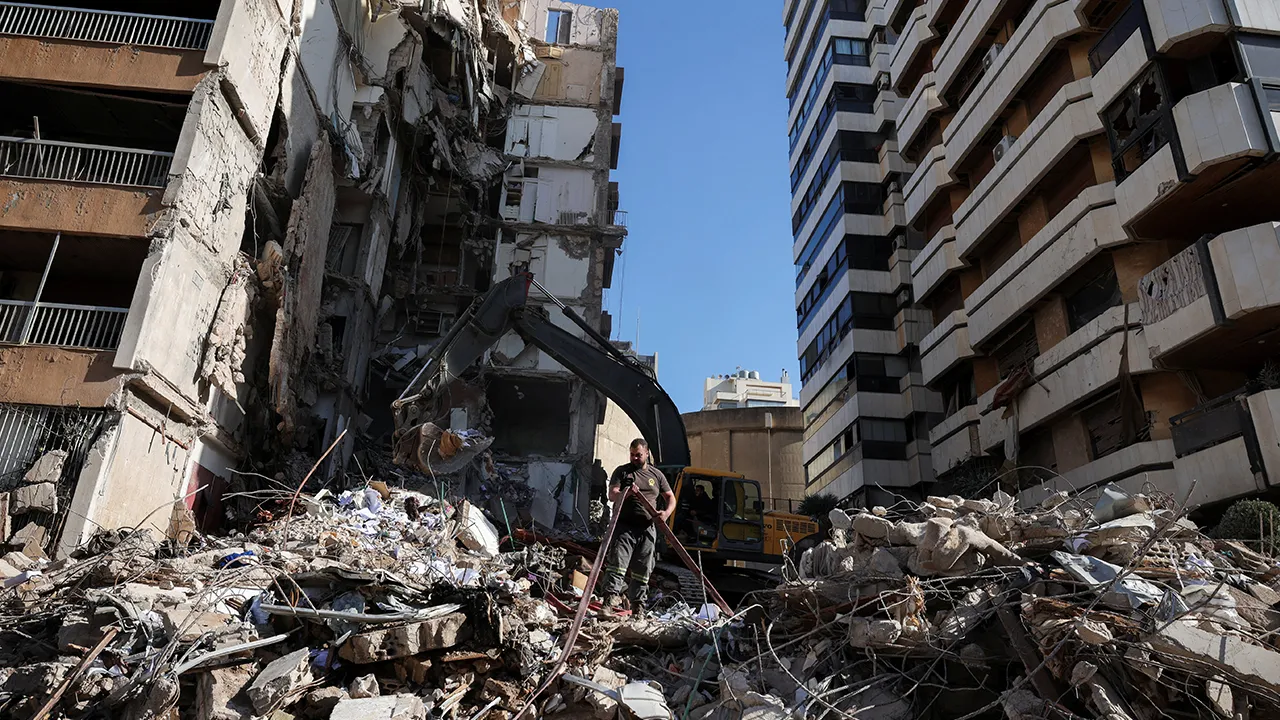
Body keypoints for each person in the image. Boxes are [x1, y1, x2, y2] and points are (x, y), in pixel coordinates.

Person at [601, 438, 674, 614]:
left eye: (638, 455)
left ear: (647, 453)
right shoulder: (623, 472)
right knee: (618, 563)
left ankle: (638, 606)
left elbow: (670, 497)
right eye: (632, 455)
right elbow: (612, 495)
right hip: (625, 526)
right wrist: (624, 493)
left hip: (647, 528)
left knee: (643, 568)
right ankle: (609, 602)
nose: (635, 458)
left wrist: (665, 513)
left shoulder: (656, 475)